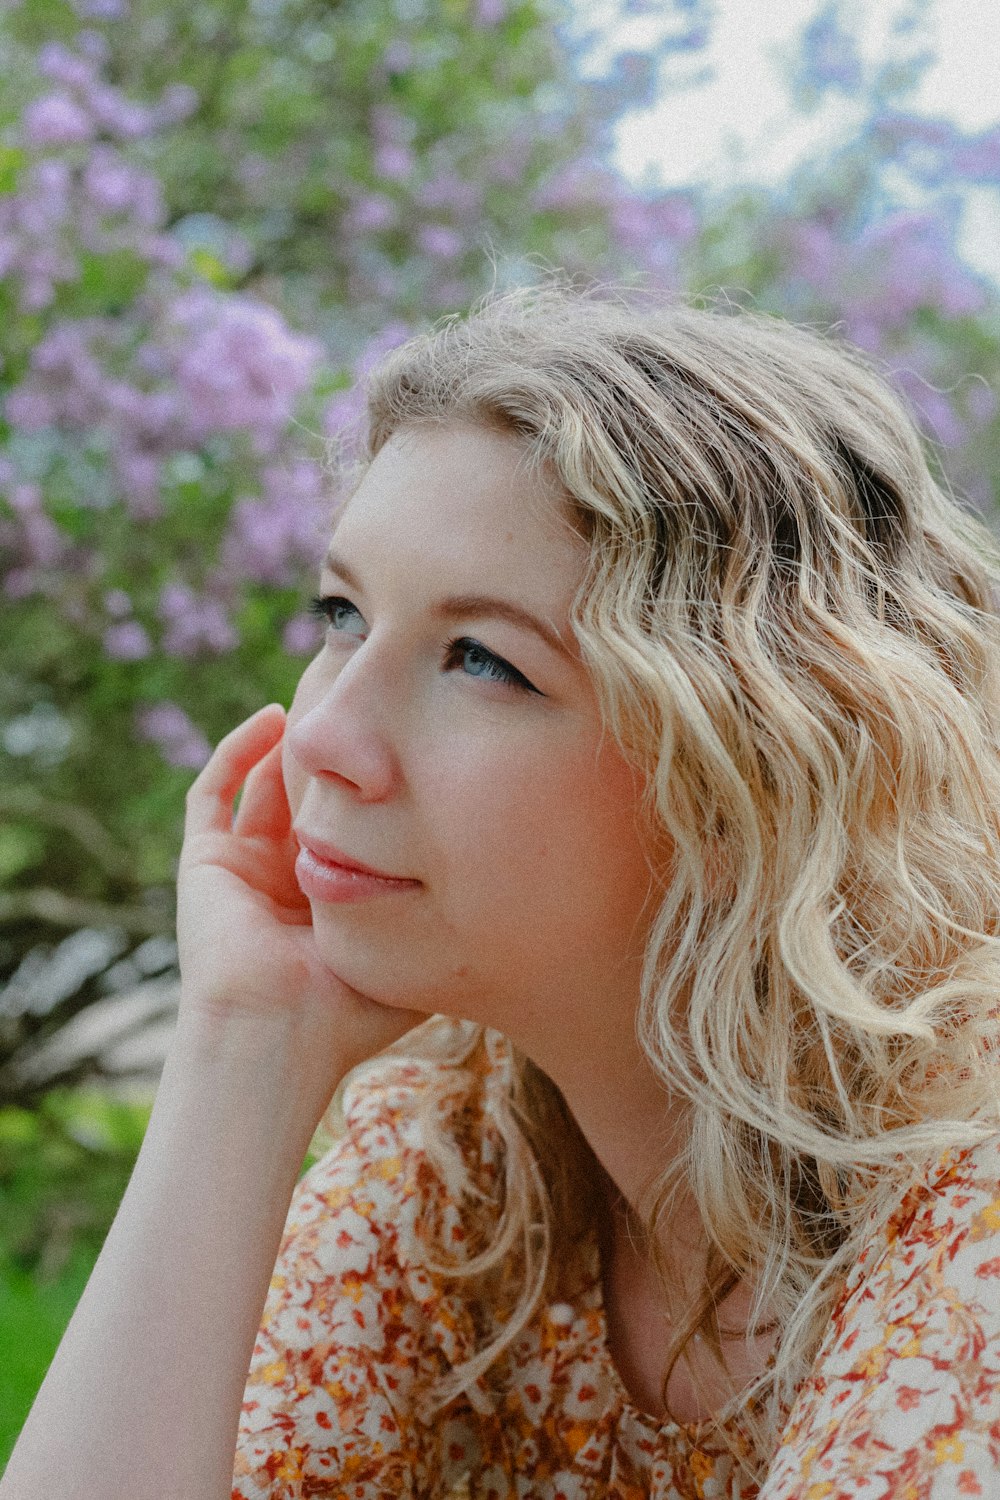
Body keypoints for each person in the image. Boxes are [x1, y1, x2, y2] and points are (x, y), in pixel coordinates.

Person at [3, 284, 1000, 1500]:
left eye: (482, 659)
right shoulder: (459, 1164)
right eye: (340, 614)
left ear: (760, 762)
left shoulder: (969, 1210)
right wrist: (243, 1044)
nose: (321, 738)